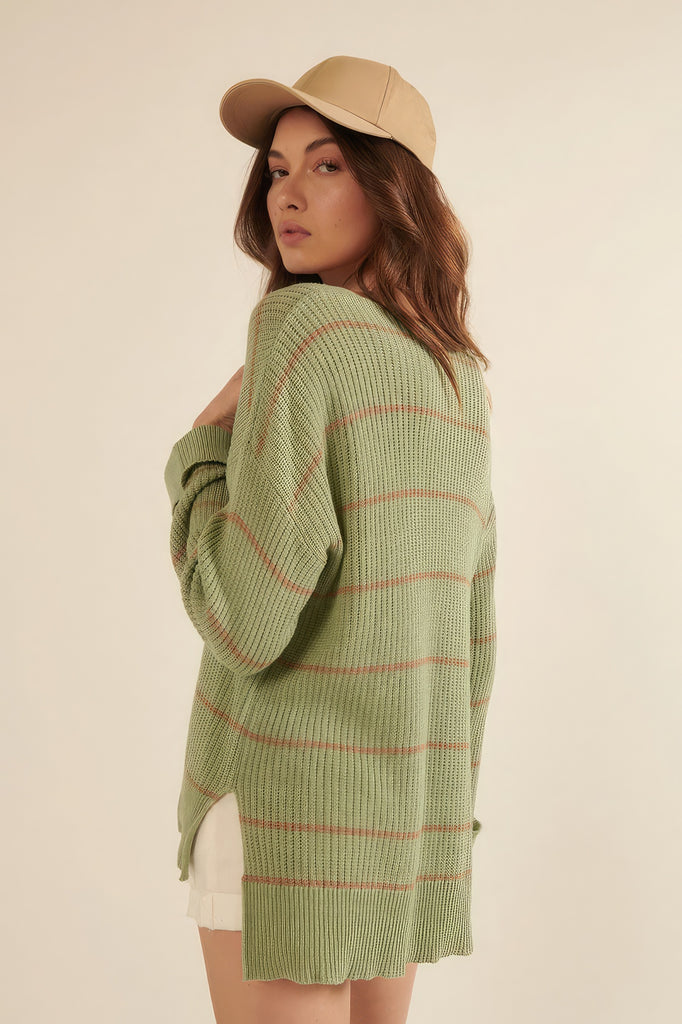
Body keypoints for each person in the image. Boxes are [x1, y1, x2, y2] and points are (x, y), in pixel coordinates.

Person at [163, 55, 497, 1024]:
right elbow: (471, 642)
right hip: (403, 814)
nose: (288, 195)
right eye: (277, 170)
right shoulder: (458, 380)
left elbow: (245, 619)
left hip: (283, 812)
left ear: (393, 189)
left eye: (326, 165)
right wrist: (441, 812)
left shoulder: (299, 329)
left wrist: (198, 460)